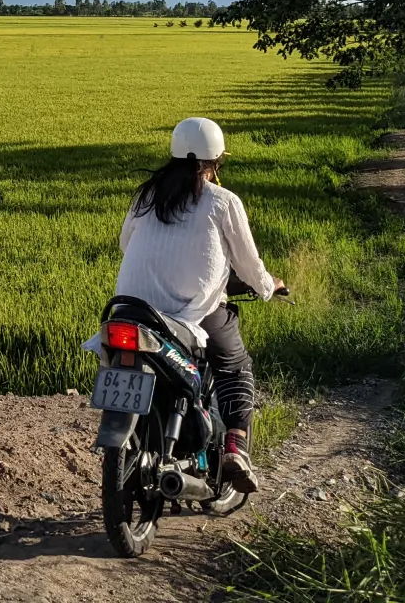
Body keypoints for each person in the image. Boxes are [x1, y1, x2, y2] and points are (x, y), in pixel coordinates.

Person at [114, 116, 284, 493]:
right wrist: (268, 286)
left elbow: (126, 244)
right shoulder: (222, 202)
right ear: (216, 162)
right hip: (191, 314)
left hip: (130, 312)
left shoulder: (146, 195)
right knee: (235, 366)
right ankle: (235, 447)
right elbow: (249, 265)